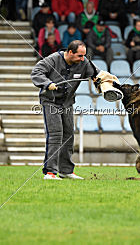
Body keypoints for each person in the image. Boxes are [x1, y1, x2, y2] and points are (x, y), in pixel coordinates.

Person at [31, 40, 106, 180]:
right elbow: (36, 72)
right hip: (50, 102)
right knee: (55, 135)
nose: (83, 59)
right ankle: (50, 172)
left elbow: (97, 74)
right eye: (79, 56)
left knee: (69, 136)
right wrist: (48, 84)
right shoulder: (52, 60)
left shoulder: (83, 62)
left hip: (67, 103)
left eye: (84, 56)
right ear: (70, 52)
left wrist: (103, 81)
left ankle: (66, 171)